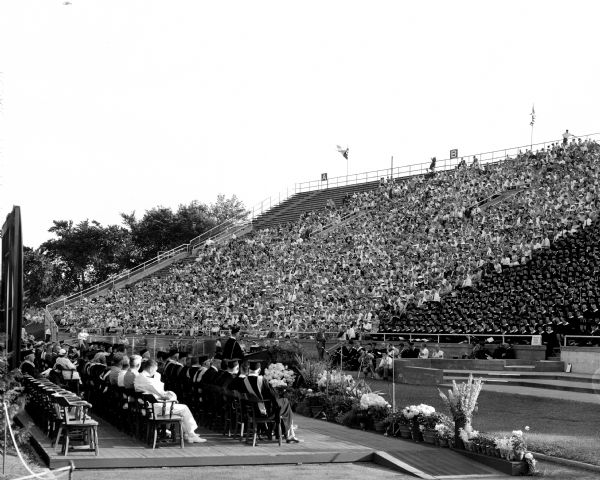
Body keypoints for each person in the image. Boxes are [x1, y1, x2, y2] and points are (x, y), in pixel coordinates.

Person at [134, 359, 206, 443]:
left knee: (178, 408)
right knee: (184, 408)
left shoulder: (139, 376)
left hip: (148, 406)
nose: (155, 372)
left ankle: (187, 433)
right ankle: (191, 434)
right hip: (155, 408)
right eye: (155, 370)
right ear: (151, 369)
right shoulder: (146, 379)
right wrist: (172, 396)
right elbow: (163, 395)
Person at [229, 360, 301, 443]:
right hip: (266, 412)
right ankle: (289, 434)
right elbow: (274, 396)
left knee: (283, 404)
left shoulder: (244, 381)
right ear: (259, 370)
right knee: (285, 402)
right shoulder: (262, 381)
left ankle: (283, 431)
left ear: (249, 369)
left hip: (252, 412)